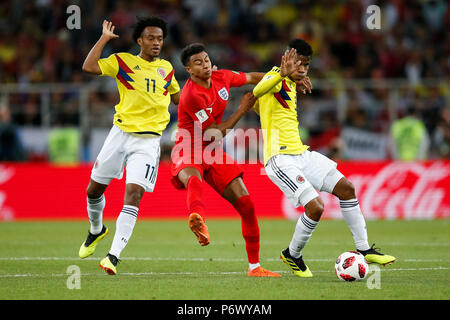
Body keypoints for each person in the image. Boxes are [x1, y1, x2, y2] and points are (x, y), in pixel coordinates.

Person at [252, 39, 396, 278]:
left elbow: (260, 104)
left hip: (301, 153)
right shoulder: (275, 75)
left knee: (347, 189)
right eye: (299, 64)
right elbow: (256, 91)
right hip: (280, 159)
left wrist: (292, 80)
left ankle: (364, 248)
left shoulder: (289, 82)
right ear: (287, 59)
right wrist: (282, 74)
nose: (303, 69)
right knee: (316, 207)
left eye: (307, 65)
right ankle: (292, 254)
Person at [79, 17, 180, 275]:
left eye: (159, 38)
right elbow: (89, 66)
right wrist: (104, 39)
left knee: (133, 194)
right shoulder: (123, 61)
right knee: (93, 190)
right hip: (120, 134)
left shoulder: (167, 69)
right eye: (151, 38)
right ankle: (96, 229)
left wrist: (205, 85)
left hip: (148, 142)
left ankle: (113, 256)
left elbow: (180, 99)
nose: (156, 43)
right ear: (139, 40)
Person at [170, 43, 280, 277]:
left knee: (247, 206)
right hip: (188, 146)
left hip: (213, 151)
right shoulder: (190, 96)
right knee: (194, 179)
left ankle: (255, 267)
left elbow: (252, 77)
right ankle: (197, 219)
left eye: (207, 59)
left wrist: (283, 76)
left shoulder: (223, 77)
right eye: (198, 62)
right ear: (189, 69)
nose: (205, 64)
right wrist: (242, 110)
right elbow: (214, 132)